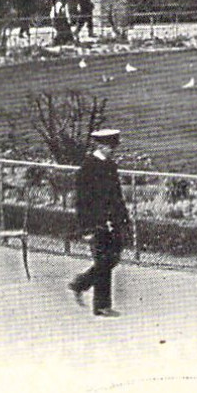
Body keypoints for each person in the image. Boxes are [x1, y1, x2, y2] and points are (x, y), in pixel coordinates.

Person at [69, 128, 131, 316]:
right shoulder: (87, 167)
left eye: (113, 146)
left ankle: (80, 284)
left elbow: (117, 196)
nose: (113, 150)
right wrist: (85, 227)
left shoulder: (110, 166)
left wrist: (124, 218)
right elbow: (81, 201)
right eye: (110, 146)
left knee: (112, 259)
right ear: (100, 145)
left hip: (113, 221)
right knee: (103, 260)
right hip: (96, 222)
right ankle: (101, 305)